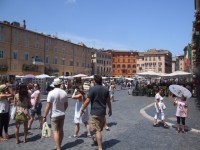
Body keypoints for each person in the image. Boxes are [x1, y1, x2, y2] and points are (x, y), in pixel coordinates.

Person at [80, 75, 112, 150]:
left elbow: (87, 101)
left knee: (97, 131)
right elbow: (108, 101)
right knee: (99, 129)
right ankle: (95, 139)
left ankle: (100, 147)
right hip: (102, 112)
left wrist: (82, 109)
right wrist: (110, 109)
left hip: (95, 112)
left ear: (94, 81)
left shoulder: (92, 89)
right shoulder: (105, 89)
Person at [43, 78, 68, 150]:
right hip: (62, 114)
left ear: (54, 84)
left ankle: (58, 148)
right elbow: (66, 104)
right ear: (60, 84)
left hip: (54, 115)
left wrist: (44, 116)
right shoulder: (64, 93)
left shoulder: (51, 93)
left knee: (55, 131)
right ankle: (59, 145)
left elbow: (48, 106)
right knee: (61, 130)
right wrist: (63, 110)